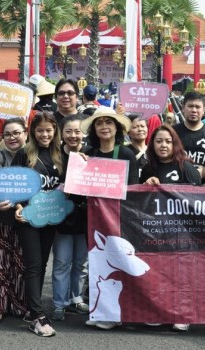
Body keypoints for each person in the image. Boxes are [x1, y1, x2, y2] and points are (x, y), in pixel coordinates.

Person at [81, 107, 138, 330]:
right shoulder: (89, 153)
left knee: (119, 265)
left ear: (117, 128)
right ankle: (101, 312)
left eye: (109, 123)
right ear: (94, 128)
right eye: (99, 123)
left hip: (118, 218)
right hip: (94, 218)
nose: (104, 126)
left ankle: (120, 312)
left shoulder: (126, 154)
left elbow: (132, 188)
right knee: (98, 266)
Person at [140, 125, 200, 332]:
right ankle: (161, 312)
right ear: (152, 144)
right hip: (157, 230)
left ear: (175, 143)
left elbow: (197, 200)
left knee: (182, 274)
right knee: (160, 273)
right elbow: (139, 200)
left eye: (167, 141)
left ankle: (183, 314)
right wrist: (146, 184)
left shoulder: (186, 167)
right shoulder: (149, 168)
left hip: (182, 231)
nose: (163, 145)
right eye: (158, 141)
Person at [12, 112, 64, 337]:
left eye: (49, 130)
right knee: (33, 264)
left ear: (55, 131)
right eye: (40, 130)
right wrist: (18, 207)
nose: (45, 134)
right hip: (29, 218)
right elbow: (13, 185)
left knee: (42, 264)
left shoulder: (62, 155)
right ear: (33, 131)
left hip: (50, 217)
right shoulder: (24, 154)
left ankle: (30, 308)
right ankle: (36, 315)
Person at [0, 118, 29, 323]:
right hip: (1, 220)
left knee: (20, 265)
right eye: (8, 134)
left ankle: (19, 305)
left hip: (26, 221)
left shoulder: (32, 155)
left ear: (25, 133)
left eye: (17, 133)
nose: (12, 137)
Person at [51, 115, 91, 322]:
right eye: (69, 131)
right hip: (62, 217)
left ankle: (75, 298)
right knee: (62, 262)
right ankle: (59, 302)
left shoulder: (91, 155)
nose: (73, 135)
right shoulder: (55, 156)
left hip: (85, 217)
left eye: (78, 131)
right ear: (61, 133)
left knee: (81, 262)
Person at [171, 92, 205, 182]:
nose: (194, 110)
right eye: (190, 106)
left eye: (197, 107)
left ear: (204, 110)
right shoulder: (172, 132)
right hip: (178, 186)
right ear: (183, 108)